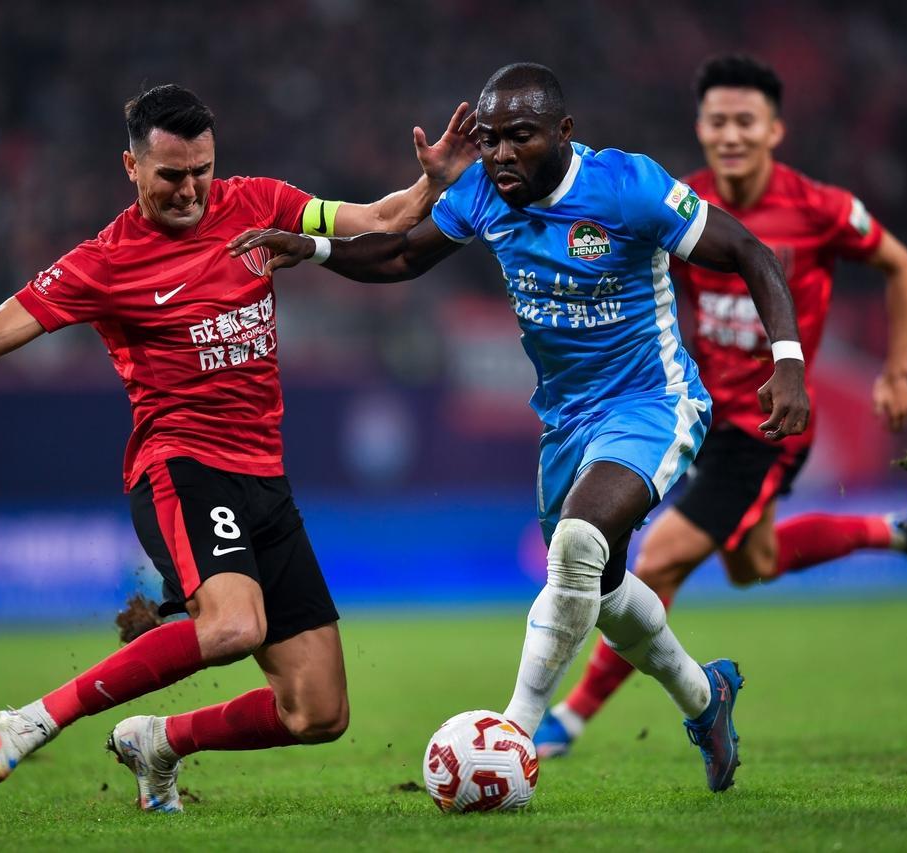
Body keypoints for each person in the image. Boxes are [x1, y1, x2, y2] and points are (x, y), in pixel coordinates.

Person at [0, 84, 479, 813]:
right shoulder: (104, 262)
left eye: (202, 171)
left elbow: (380, 219)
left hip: (265, 480)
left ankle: (158, 740)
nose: (190, 190)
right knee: (234, 626)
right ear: (131, 167)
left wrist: (431, 184)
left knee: (318, 712)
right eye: (171, 175)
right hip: (182, 467)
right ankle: (30, 720)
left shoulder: (260, 202)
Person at [229, 62, 812, 793]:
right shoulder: (482, 191)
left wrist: (787, 362)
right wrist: (313, 248)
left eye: (521, 137)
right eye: (490, 138)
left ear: (563, 132)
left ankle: (510, 735)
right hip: (565, 422)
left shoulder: (626, 187)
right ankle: (705, 697)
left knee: (577, 543)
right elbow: (402, 253)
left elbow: (750, 252)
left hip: (650, 402)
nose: (501, 153)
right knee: (599, 586)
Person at [532, 54, 907, 757]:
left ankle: (566, 720)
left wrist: (898, 371)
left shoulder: (818, 208)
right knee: (754, 562)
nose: (730, 135)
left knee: (660, 558)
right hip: (700, 413)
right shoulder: (681, 200)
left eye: (745, 121)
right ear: (700, 127)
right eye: (717, 121)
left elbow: (901, 265)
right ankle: (899, 530)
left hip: (767, 426)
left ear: (775, 130)